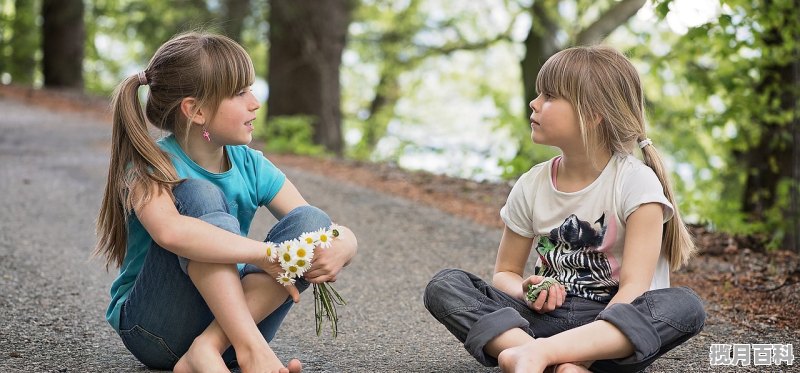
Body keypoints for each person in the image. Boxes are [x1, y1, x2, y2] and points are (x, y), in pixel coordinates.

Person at [423, 45, 705, 373]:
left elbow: (633, 289)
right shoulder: (532, 184)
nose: (535, 103)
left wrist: (581, 351)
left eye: (550, 96)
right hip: (540, 320)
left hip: (610, 332)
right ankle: (542, 357)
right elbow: (505, 273)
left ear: (594, 113)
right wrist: (525, 290)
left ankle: (540, 357)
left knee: (685, 306)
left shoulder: (635, 184)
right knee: (445, 285)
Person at [94, 32, 358, 373]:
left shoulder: (250, 164)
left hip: (233, 327)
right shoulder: (150, 166)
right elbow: (171, 233)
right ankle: (251, 351)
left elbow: (317, 226)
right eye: (239, 93)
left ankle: (210, 348)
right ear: (196, 110)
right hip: (156, 330)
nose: (255, 102)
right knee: (197, 194)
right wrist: (266, 255)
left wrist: (344, 244)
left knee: (311, 220)